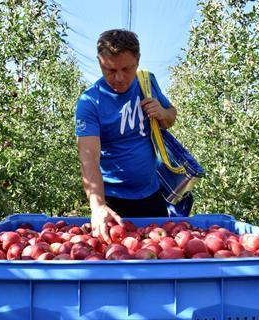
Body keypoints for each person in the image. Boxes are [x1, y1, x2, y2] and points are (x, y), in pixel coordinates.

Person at [75, 29, 177, 242]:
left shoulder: (147, 83)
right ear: (99, 62)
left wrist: (163, 112)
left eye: (126, 68)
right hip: (113, 202)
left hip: (152, 195)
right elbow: (89, 157)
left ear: (138, 61)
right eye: (109, 70)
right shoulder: (89, 102)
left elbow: (170, 118)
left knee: (158, 259)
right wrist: (98, 206)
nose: (119, 78)